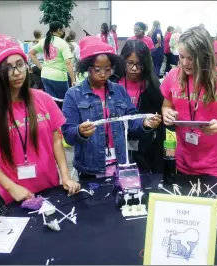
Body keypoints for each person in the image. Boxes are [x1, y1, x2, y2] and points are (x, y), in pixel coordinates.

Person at [0, 35, 80, 204]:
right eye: (8, 68)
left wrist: (65, 176)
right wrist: (11, 187)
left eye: (20, 65)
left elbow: (56, 140)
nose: (16, 73)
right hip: (15, 196)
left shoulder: (43, 99)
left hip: (51, 187)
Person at [61, 36, 162, 179]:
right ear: (87, 68)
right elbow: (68, 134)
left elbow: (131, 119)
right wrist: (80, 132)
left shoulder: (119, 90)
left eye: (108, 69)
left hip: (119, 164)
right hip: (90, 167)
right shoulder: (74, 95)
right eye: (97, 70)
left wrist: (145, 123)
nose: (103, 74)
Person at [161, 26, 217, 179]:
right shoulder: (173, 76)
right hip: (181, 162)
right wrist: (166, 113)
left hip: (214, 167)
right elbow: (166, 105)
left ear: (204, 56)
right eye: (181, 57)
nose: (184, 63)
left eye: (190, 58)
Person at [118, 40, 165, 173]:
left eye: (139, 64)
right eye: (130, 63)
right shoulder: (113, 84)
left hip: (146, 147)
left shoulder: (153, 87)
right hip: (118, 144)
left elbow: (160, 129)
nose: (134, 68)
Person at [29, 21, 76, 109]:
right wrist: (73, 79)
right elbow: (68, 63)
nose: (63, 32)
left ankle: (53, 121)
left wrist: (41, 67)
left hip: (45, 75)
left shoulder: (44, 41)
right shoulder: (62, 43)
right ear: (58, 30)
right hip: (59, 77)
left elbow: (31, 53)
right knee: (63, 103)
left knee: (51, 102)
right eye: (63, 30)